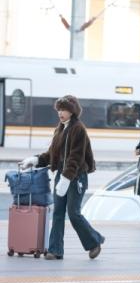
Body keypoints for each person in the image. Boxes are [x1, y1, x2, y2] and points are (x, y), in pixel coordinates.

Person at [20, 95, 104, 260]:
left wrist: (66, 178)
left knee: (73, 214)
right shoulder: (60, 128)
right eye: (59, 109)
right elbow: (52, 154)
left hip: (76, 177)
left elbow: (76, 157)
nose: (60, 113)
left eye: (64, 109)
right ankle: (55, 250)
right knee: (58, 212)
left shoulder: (78, 129)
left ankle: (94, 242)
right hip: (62, 176)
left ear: (72, 111)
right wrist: (36, 160)